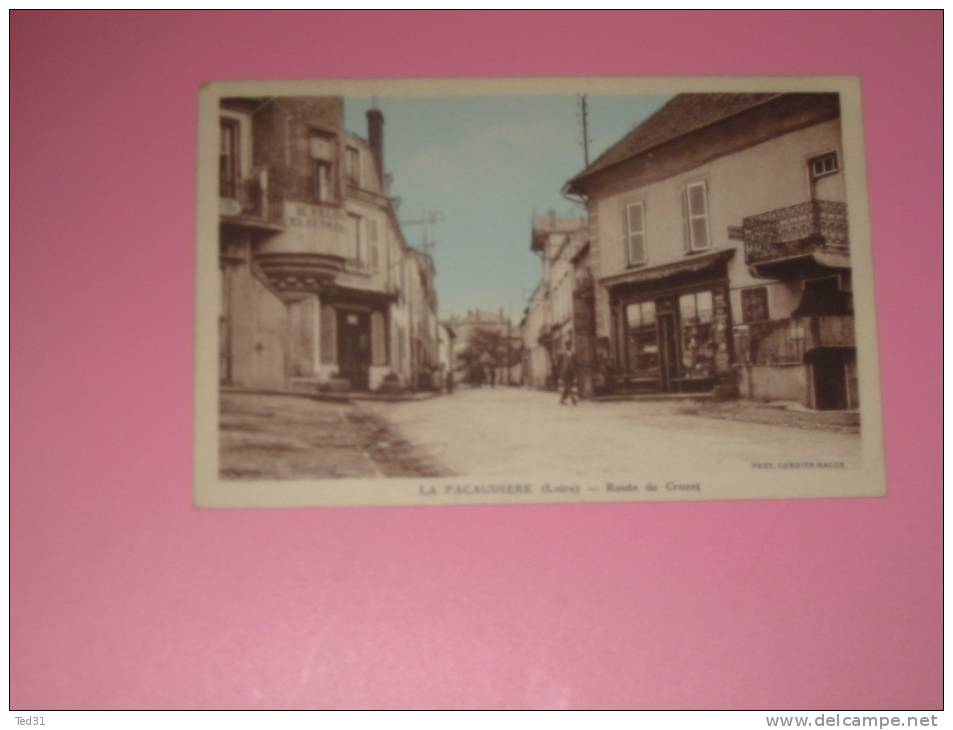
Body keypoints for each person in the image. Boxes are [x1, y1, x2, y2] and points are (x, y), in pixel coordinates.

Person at [559, 341, 578, 406]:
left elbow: (575, 364)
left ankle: (562, 400)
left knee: (567, 386)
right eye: (567, 345)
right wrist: (560, 374)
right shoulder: (562, 354)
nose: (569, 346)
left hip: (571, 372)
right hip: (565, 372)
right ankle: (573, 399)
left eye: (569, 345)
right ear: (566, 346)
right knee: (568, 385)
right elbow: (560, 364)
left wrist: (575, 373)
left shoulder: (573, 354)